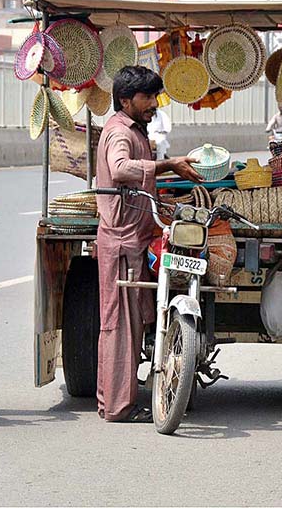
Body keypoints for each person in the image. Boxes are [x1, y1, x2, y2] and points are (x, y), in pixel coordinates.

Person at [96, 66, 203, 423]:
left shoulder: (135, 129)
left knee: (129, 322)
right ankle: (117, 406)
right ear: (125, 100)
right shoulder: (119, 133)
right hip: (122, 241)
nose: (154, 104)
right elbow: (121, 168)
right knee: (120, 325)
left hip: (135, 238)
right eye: (147, 97)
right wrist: (168, 163)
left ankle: (111, 399)